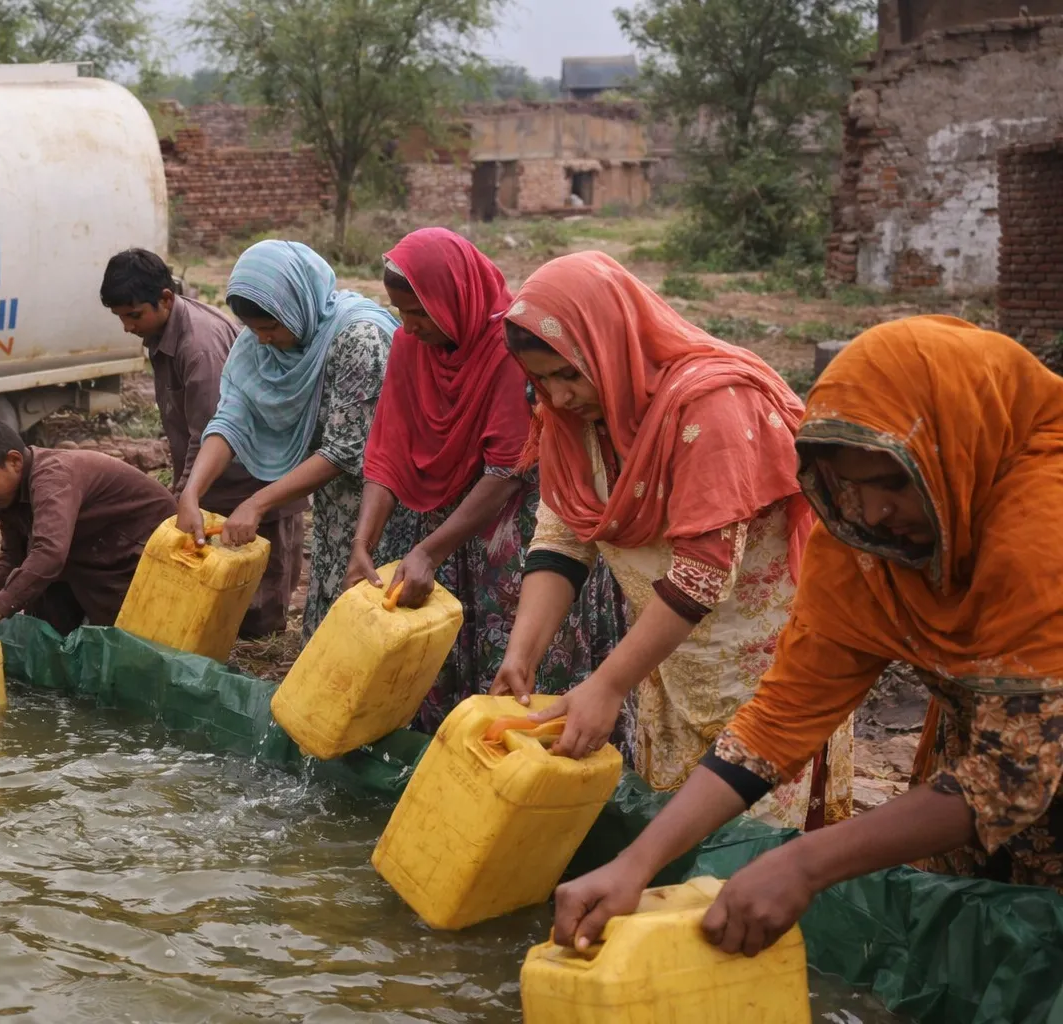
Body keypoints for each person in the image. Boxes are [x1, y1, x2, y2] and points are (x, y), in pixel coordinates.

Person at [553, 315, 1063, 958]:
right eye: (852, 487)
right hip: (977, 777)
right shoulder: (865, 541)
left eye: (892, 483)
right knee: (976, 957)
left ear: (954, 451)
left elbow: (1012, 770)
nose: (873, 512)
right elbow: (781, 718)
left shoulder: (1042, 525)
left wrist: (806, 864)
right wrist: (636, 863)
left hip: (1019, 765)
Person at [491, 251, 852, 829]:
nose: (556, 398)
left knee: (751, 854)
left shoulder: (712, 407)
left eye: (568, 374)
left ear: (608, 345)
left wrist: (606, 685)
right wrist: (521, 655)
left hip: (760, 670)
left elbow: (703, 572)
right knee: (677, 845)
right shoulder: (571, 420)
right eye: (540, 380)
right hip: (668, 657)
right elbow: (563, 533)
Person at [346, 228, 626, 732]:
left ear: (453, 296)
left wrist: (430, 552)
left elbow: (507, 468)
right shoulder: (414, 347)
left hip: (514, 529)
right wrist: (363, 540)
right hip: (441, 524)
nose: (407, 327)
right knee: (445, 652)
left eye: (417, 312)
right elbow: (387, 447)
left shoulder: (513, 344)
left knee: (522, 655)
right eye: (399, 312)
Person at [176, 240, 416, 638]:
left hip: (385, 502)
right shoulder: (261, 340)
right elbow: (233, 416)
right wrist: (191, 493)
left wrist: (257, 502)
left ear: (296, 304)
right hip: (334, 501)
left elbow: (344, 449)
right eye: (254, 329)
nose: (263, 339)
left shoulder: (359, 338)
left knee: (374, 617)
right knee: (332, 615)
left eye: (270, 327)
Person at [99, 249, 303, 636]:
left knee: (259, 602)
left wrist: (185, 493)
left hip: (252, 480)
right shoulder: (164, 329)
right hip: (216, 484)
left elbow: (211, 431)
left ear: (165, 299)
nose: (127, 326)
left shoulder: (199, 346)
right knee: (221, 589)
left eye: (134, 315)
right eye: (120, 317)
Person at [0, 414, 177, 641]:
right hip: (95, 548)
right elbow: (15, 552)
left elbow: (50, 553)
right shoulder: (5, 494)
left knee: (120, 644)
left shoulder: (52, 477)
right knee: (38, 603)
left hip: (147, 551)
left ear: (15, 461)